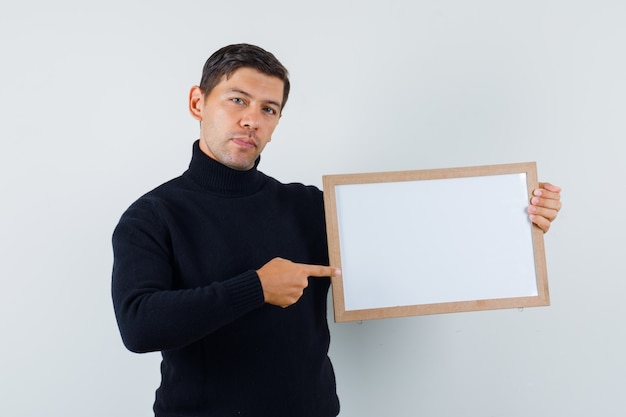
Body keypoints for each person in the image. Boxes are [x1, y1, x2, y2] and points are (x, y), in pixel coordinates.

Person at [111, 43, 562, 417]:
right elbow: (139, 326)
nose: (252, 118)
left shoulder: (310, 206)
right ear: (197, 102)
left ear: (276, 123)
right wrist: (255, 288)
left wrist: (521, 217)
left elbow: (425, 243)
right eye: (237, 100)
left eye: (269, 108)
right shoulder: (151, 215)